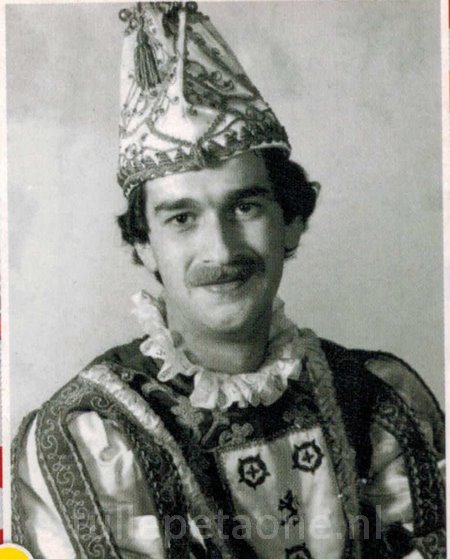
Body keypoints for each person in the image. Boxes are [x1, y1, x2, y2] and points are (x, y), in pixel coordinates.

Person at [11, 3, 445, 558]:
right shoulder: (93, 436)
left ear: (291, 222)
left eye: (246, 207)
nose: (220, 250)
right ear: (143, 244)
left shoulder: (376, 400)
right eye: (181, 218)